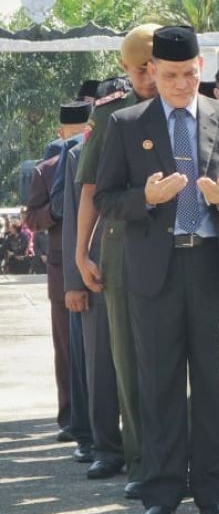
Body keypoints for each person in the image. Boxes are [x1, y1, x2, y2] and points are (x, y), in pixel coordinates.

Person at [94, 25, 219, 514]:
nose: (180, 85)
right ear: (152, 73)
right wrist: (145, 198)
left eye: (190, 75)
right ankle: (161, 491)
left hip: (213, 264)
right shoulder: (127, 124)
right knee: (160, 382)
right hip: (156, 269)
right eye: (170, 75)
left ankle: (215, 492)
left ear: (201, 71)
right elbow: (105, 198)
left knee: (215, 384)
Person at [75, 22, 161, 500]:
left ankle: (183, 458)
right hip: (123, 249)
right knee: (129, 361)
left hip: (181, 249)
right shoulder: (110, 116)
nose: (149, 75)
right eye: (140, 67)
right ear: (124, 69)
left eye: (156, 65)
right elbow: (90, 188)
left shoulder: (187, 105)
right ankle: (141, 461)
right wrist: (80, 252)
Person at [62, 128, 126, 481]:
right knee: (100, 367)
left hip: (143, 268)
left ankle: (142, 448)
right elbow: (73, 218)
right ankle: (105, 448)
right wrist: (74, 281)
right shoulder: (81, 153)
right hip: (96, 272)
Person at [26, 103, 91, 445]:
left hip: (96, 261)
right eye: (74, 129)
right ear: (61, 133)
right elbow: (31, 219)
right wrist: (55, 209)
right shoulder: (46, 170)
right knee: (67, 345)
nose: (80, 134)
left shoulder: (95, 156)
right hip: (60, 268)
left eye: (85, 126)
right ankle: (69, 415)